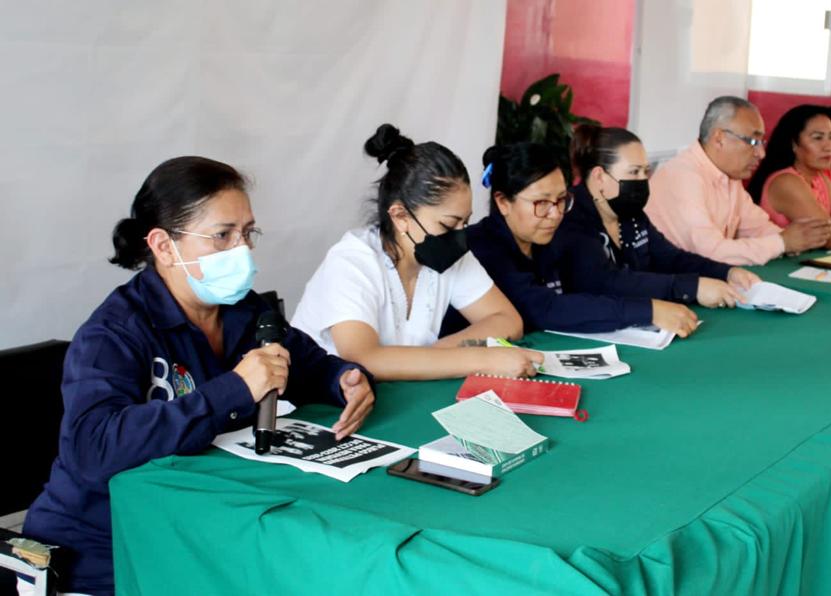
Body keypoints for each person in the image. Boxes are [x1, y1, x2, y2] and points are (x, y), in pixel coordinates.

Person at [20, 157, 375, 596]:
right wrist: (234, 390)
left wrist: (343, 379)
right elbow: (94, 449)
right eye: (223, 235)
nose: (242, 250)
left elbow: (307, 364)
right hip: (102, 554)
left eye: (247, 233)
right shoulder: (114, 333)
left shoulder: (245, 310)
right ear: (164, 246)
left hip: (202, 530)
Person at [291, 124, 541, 380]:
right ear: (400, 217)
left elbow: (507, 320)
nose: (459, 235)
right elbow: (362, 359)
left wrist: (438, 353)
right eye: (448, 224)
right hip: (317, 400)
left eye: (465, 222)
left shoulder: (448, 255)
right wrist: (481, 359)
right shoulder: (351, 262)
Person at [467, 142, 701, 339]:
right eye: (542, 203)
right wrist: (649, 311)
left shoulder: (557, 233)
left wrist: (687, 288)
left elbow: (602, 282)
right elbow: (547, 309)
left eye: (561, 200)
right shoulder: (482, 247)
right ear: (503, 202)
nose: (555, 214)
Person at [565, 124, 760, 308]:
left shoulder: (630, 213)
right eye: (634, 172)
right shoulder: (572, 217)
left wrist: (726, 272)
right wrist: (692, 288)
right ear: (599, 177)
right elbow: (606, 282)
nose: (642, 180)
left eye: (646, 171)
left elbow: (671, 258)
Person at [646, 96, 831, 265]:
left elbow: (757, 227)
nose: (761, 153)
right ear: (719, 138)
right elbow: (709, 252)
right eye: (752, 142)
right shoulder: (683, 176)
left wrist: (794, 239)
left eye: (761, 143)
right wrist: (783, 243)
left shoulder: (730, 177)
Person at [748, 104, 831, 250]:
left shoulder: (820, 177)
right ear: (794, 144)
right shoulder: (786, 182)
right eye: (818, 138)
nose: (829, 147)